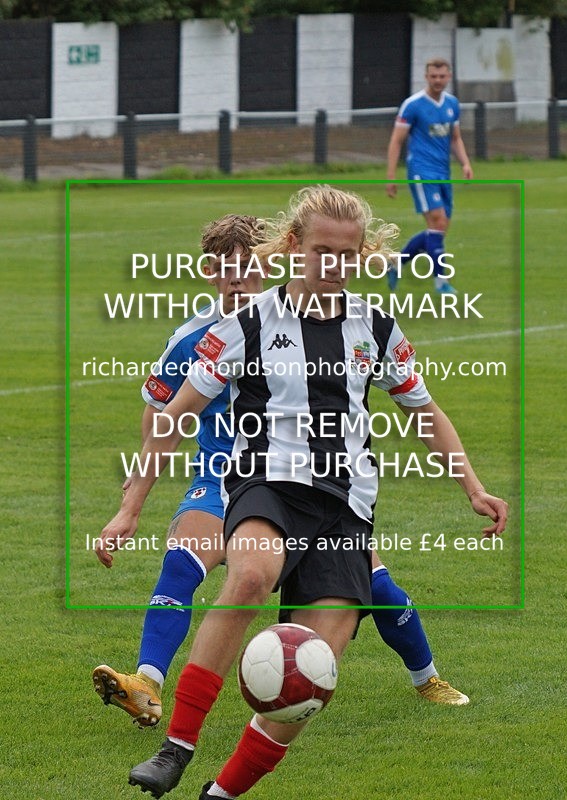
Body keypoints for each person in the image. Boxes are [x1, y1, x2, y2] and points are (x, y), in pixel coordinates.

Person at [99, 187, 507, 799]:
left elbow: (425, 409)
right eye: (322, 251)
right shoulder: (245, 324)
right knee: (252, 573)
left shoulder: (376, 327)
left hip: (345, 505)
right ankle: (176, 747)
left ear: (362, 254)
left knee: (313, 667)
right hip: (266, 484)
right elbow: (174, 413)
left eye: (347, 255)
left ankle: (223, 792)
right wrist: (130, 507)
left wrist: (472, 486)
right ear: (293, 246)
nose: (334, 266)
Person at [385, 58, 473, 295]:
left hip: (443, 173)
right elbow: (396, 140)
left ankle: (396, 263)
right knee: (438, 223)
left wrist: (465, 163)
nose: (437, 80)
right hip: (421, 172)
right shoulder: (412, 105)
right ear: (426, 77)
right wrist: (391, 176)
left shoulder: (452, 104)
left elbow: (455, 137)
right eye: (433, 76)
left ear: (449, 76)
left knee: (439, 229)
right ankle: (441, 282)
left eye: (442, 76)